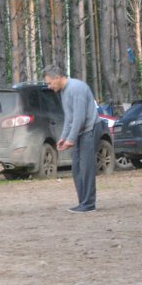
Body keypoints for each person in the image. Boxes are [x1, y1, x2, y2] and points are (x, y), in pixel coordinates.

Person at [42, 64, 102, 214]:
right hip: (80, 132)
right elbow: (69, 117)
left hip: (90, 130)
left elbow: (79, 118)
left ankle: (89, 204)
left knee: (86, 168)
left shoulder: (76, 89)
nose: (49, 87)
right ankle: (83, 202)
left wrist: (71, 139)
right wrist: (63, 138)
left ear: (57, 78)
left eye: (49, 83)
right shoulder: (64, 91)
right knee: (76, 168)